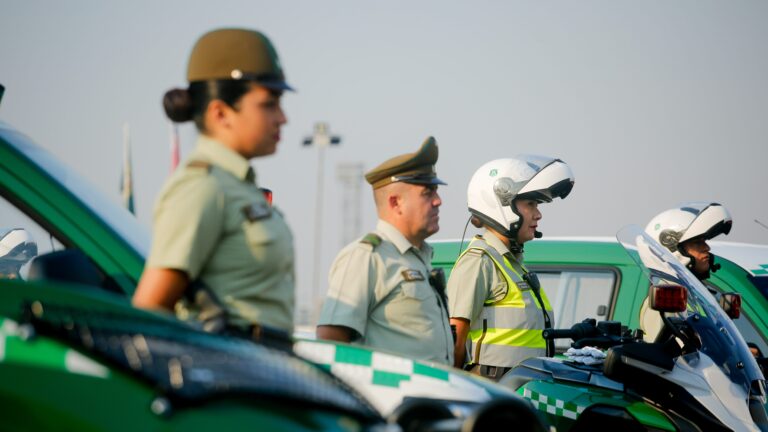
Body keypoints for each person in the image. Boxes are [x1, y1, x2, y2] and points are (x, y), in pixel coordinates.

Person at [132, 28, 296, 340]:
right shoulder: (201, 188)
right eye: (269, 104)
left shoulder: (237, 186)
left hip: (264, 369)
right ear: (221, 113)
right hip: (231, 374)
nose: (282, 118)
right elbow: (150, 310)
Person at [316, 137, 454, 365]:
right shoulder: (367, 256)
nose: (438, 201)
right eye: (427, 193)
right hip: (392, 397)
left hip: (430, 397)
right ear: (395, 202)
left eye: (436, 192)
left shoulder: (418, 258)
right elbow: (331, 343)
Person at [447, 156, 574, 380]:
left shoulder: (514, 265)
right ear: (502, 205)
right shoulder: (479, 261)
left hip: (522, 387)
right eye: (531, 204)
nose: (538, 214)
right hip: (492, 390)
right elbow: (455, 338)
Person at [640, 202, 733, 340]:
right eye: (697, 242)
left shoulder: (696, 295)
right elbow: (665, 354)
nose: (707, 247)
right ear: (669, 250)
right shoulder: (667, 297)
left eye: (704, 241)